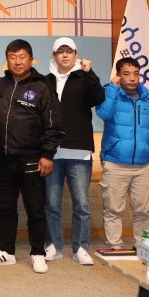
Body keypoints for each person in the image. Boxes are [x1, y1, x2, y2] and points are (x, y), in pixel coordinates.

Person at [0, 40, 62, 274]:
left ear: (31, 59)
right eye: (12, 57)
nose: (17, 61)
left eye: (22, 57)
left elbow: (53, 124)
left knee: (35, 208)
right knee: (5, 208)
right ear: (7, 60)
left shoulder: (42, 87)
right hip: (1, 158)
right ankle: (6, 251)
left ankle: (38, 253)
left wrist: (47, 154)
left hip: (31, 158)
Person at [96, 56, 149, 250]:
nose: (132, 78)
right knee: (113, 209)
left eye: (136, 74)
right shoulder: (109, 94)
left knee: (144, 210)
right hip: (115, 163)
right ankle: (114, 247)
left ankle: (142, 248)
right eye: (126, 74)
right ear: (118, 76)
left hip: (142, 165)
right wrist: (113, 89)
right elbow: (103, 114)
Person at [42, 37, 104, 266]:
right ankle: (54, 245)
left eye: (69, 51)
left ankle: (81, 248)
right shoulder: (46, 80)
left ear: (76, 54)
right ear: (54, 56)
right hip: (53, 152)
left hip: (79, 151)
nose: (65, 55)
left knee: (82, 205)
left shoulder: (83, 77)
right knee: (51, 204)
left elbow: (98, 98)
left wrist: (90, 73)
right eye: (61, 51)